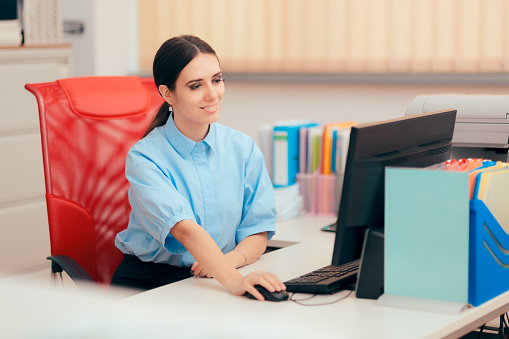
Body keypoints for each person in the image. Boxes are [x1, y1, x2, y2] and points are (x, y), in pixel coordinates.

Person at [111, 35, 285, 301]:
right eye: (196, 86)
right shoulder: (144, 157)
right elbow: (184, 229)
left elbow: (257, 229)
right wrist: (234, 280)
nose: (212, 94)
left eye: (216, 80)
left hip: (213, 276)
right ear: (167, 93)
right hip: (151, 282)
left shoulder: (243, 148)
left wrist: (228, 262)